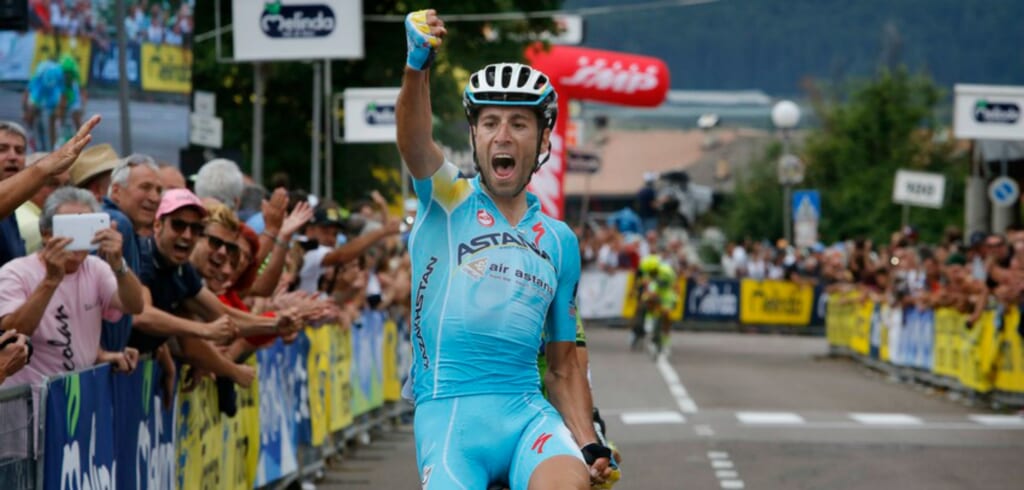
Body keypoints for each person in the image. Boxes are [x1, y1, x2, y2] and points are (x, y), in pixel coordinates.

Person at [396, 9, 611, 489]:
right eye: (490, 122)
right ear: (473, 135)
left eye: (519, 123)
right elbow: (413, 141)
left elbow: (563, 364)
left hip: (526, 414)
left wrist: (588, 440)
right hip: (450, 416)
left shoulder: (559, 241)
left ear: (542, 138)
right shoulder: (448, 201)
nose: (503, 135)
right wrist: (417, 67)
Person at [0, 187, 145, 391]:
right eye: (68, 229)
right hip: (28, 406)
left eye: (85, 228)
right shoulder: (15, 272)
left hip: (77, 403)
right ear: (46, 234)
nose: (75, 239)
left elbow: (135, 305)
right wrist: (50, 281)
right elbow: (13, 332)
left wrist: (119, 264)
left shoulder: (96, 267)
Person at [0, 116, 101, 266]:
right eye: (2, 149)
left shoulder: (14, 209)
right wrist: (44, 169)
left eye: (20, 151)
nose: (13, 157)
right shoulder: (30, 222)